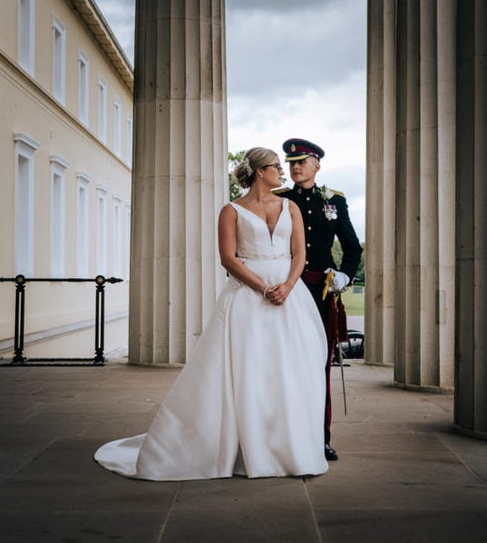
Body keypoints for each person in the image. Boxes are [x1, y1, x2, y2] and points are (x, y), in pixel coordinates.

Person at [94, 147, 329, 480]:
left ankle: (289, 447)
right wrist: (263, 288)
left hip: (290, 298)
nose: (283, 170)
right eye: (277, 166)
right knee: (250, 370)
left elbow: (299, 253)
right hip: (249, 298)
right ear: (260, 171)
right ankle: (248, 448)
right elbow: (229, 259)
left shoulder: (290, 207)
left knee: (291, 370)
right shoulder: (231, 210)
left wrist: (288, 286)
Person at [277, 138, 362, 462]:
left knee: (320, 364)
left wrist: (345, 276)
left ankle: (319, 437)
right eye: (291, 163)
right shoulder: (281, 200)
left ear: (317, 165)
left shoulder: (334, 202)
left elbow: (353, 247)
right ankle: (286, 433)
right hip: (287, 290)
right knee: (286, 363)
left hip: (320, 292)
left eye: (301, 162)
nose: (295, 167)